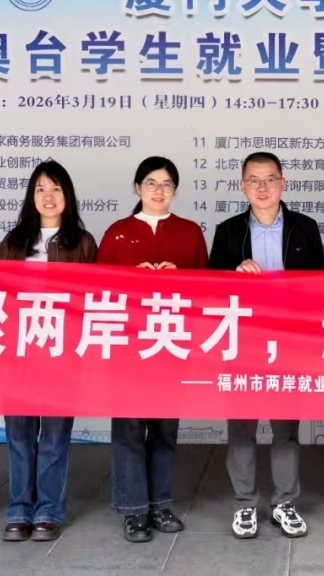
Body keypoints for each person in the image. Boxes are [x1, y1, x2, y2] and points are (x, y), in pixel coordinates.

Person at [209, 152, 324, 540]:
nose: (262, 187)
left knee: (285, 430)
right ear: (243, 186)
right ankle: (245, 504)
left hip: (288, 342)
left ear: (283, 183)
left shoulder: (305, 228)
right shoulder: (227, 231)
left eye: (270, 179)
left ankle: (284, 503)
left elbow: (321, 286)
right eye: (254, 180)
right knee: (242, 428)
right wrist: (233, 274)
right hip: (243, 342)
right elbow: (209, 289)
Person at [97, 156, 208, 542]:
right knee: (129, 428)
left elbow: (208, 290)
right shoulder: (118, 232)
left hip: (171, 344)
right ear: (137, 187)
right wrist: (131, 278)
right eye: (151, 183)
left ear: (175, 190)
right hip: (127, 346)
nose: (158, 191)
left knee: (164, 429)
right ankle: (133, 511)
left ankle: (160, 505)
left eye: (166, 184)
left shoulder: (190, 232)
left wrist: (184, 278)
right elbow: (97, 289)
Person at [0, 160, 98, 542]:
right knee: (19, 435)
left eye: (55, 188)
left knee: (54, 438)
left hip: (62, 356)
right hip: (18, 355)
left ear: (67, 196)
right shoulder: (14, 241)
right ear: (31, 197)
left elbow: (96, 298)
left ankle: (48, 511)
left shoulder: (83, 243)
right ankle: (19, 509)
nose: (48, 196)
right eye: (40, 189)